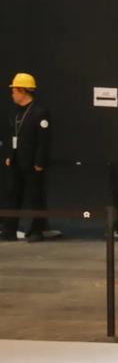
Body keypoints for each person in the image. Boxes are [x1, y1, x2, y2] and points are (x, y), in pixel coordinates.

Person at [2, 72, 51, 242]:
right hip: (16, 161)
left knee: (35, 197)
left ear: (23, 91)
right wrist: (9, 155)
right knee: (12, 195)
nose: (12, 94)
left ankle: (37, 230)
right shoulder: (15, 112)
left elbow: (43, 140)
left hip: (32, 163)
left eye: (14, 91)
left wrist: (39, 161)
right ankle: (9, 230)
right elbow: (11, 135)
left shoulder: (39, 112)